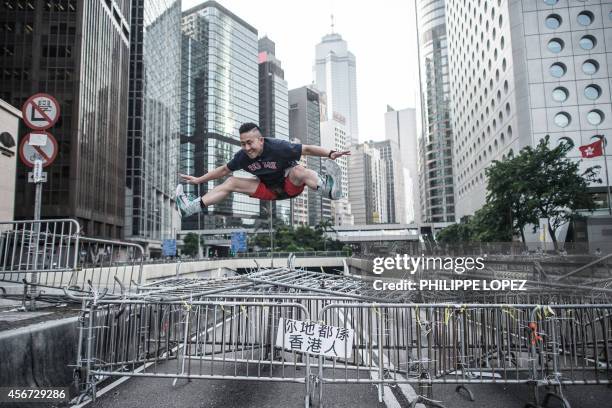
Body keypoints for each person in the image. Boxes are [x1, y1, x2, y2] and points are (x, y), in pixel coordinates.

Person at [175, 122, 350, 218]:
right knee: (231, 181)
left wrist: (331, 153)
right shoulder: (241, 157)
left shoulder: (278, 147)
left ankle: (327, 189)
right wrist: (199, 180)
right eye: (242, 143)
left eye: (249, 142)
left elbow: (307, 149)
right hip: (268, 191)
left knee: (298, 170)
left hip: (290, 185)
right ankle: (192, 207)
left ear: (261, 140)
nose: (246, 147)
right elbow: (223, 170)